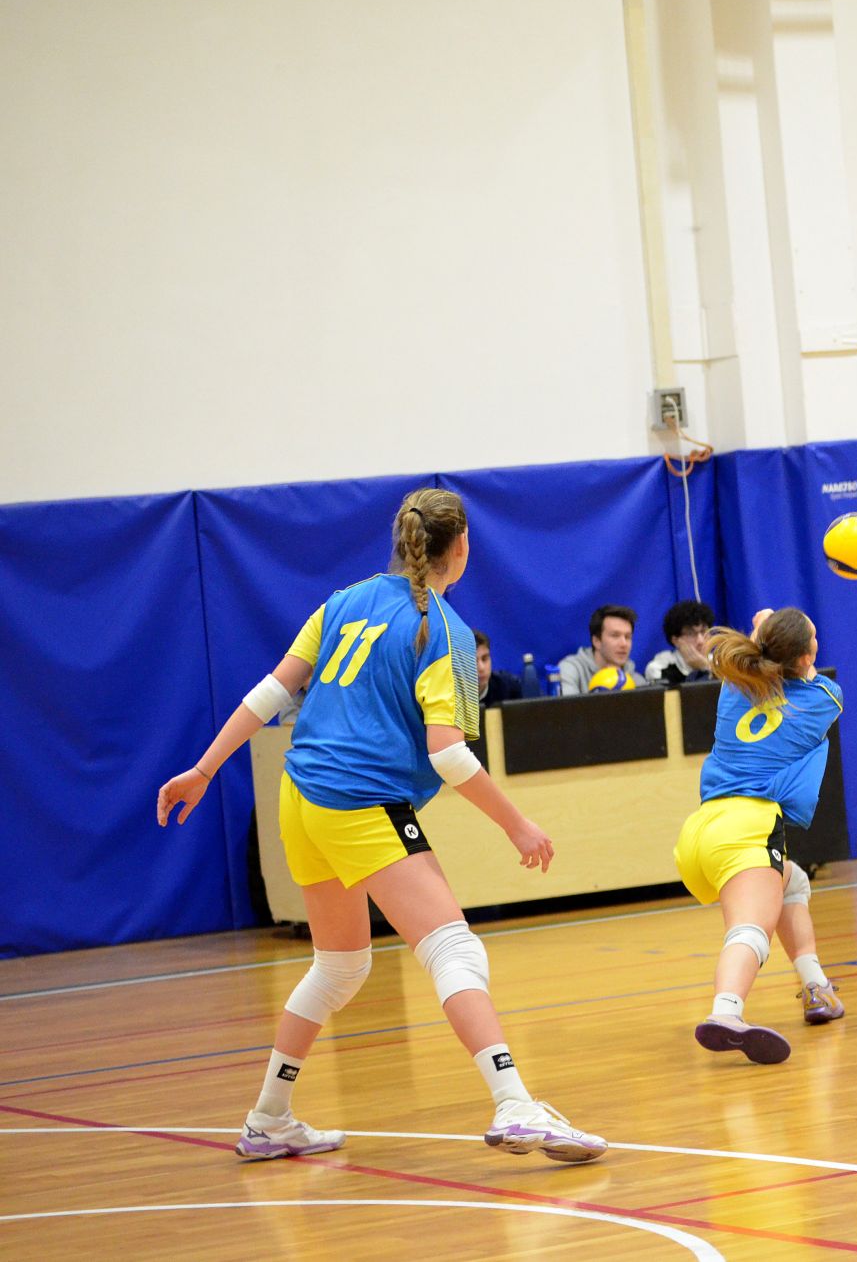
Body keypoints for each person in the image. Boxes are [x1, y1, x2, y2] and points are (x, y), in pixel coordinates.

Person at [155, 488, 606, 1163]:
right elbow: (447, 753)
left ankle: (268, 1118)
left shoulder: (344, 600)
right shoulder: (446, 632)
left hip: (301, 797)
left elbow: (272, 692)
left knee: (339, 967)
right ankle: (515, 1104)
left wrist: (203, 768)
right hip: (360, 801)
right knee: (454, 951)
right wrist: (515, 823)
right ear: (461, 546)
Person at [671, 606, 847, 1063]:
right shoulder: (824, 699)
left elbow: (760, 650)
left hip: (702, 830)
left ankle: (816, 987)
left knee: (793, 882)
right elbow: (800, 675)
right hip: (748, 830)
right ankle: (726, 1013)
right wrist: (785, 640)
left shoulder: (732, 685)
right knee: (750, 930)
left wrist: (763, 625)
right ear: (807, 657)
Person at [556, 604, 638, 695]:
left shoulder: (636, 680)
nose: (624, 644)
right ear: (596, 641)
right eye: (615, 636)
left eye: (628, 637)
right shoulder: (570, 670)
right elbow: (567, 704)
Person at [645, 599, 717, 686]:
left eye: (704, 631)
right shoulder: (659, 668)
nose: (700, 641)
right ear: (675, 640)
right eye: (691, 633)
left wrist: (706, 667)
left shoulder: (719, 664)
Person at [474, 630, 522, 709]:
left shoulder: (509, 688)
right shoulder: (452, 696)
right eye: (473, 661)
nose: (481, 668)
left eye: (485, 659)